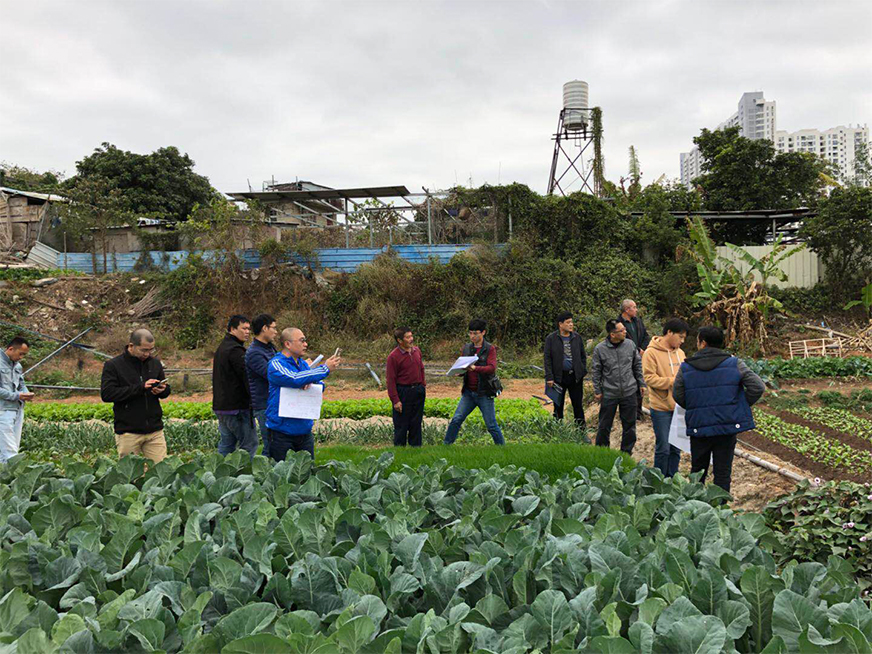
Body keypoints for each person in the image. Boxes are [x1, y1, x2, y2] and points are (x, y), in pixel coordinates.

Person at [673, 326, 765, 493]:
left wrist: (696, 408)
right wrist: (736, 407)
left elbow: (677, 394)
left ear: (703, 343)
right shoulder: (734, 363)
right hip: (726, 426)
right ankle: (720, 506)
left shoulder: (686, 367)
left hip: (699, 426)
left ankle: (694, 504)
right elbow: (758, 387)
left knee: (698, 471)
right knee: (723, 472)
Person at [266, 328, 340, 460]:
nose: (306, 344)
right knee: (281, 471)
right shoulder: (276, 364)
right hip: (281, 432)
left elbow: (320, 385)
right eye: (302, 341)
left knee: (306, 469)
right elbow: (294, 378)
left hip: (304, 431)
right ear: (287, 344)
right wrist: (325, 368)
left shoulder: (303, 365)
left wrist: (310, 382)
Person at [100, 329, 170, 463]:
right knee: (130, 472)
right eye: (144, 350)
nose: (147, 354)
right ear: (131, 346)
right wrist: (141, 388)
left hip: (154, 430)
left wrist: (163, 390)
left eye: (151, 350)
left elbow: (165, 392)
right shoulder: (114, 365)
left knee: (161, 470)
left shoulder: (154, 363)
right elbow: (107, 394)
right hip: (128, 431)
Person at [444, 319, 504, 446]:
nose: (472, 336)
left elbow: (491, 368)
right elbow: (464, 365)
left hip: (484, 393)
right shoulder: (466, 348)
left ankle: (502, 448)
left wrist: (476, 368)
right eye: (470, 333)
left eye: (475, 333)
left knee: (491, 425)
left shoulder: (489, 349)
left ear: (483, 332)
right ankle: (446, 445)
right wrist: (459, 372)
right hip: (469, 393)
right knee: (456, 419)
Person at [642, 318, 689, 477]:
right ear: (669, 332)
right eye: (680, 337)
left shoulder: (680, 353)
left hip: (679, 407)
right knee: (663, 447)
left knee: (676, 447)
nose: (682, 341)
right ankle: (659, 480)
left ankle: (673, 479)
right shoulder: (651, 353)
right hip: (661, 408)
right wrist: (672, 382)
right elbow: (649, 379)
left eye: (684, 338)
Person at [591, 319, 646, 454]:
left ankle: (626, 453)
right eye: (622, 330)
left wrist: (641, 383)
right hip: (609, 393)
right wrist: (597, 390)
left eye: (624, 329)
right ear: (612, 334)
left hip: (629, 391)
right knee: (604, 426)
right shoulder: (600, 349)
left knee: (629, 426)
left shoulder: (630, 345)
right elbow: (596, 371)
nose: (625, 332)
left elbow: (637, 365)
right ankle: (602, 453)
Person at [212, 315, 257, 458]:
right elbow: (247, 378)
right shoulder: (235, 351)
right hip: (236, 407)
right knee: (249, 444)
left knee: (227, 444)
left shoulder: (223, 347)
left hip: (222, 406)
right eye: (244, 328)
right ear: (232, 329)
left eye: (249, 329)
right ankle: (245, 471)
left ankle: (219, 470)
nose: (247, 332)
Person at [543, 311, 587, 429]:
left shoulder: (577, 337)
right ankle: (558, 430)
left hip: (575, 376)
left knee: (577, 405)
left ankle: (581, 431)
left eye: (572, 322)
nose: (571, 325)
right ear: (560, 324)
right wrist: (549, 377)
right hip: (559, 377)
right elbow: (547, 359)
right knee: (558, 405)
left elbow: (583, 356)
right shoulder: (551, 339)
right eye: (568, 322)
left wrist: (582, 370)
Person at [386, 327, 426, 447]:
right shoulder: (393, 357)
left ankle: (416, 450)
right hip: (403, 392)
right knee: (401, 425)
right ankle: (400, 451)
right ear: (399, 340)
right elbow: (390, 380)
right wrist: (395, 400)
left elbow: (421, 368)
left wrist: (422, 385)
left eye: (411, 336)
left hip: (418, 391)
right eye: (407, 337)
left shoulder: (416, 351)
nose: (411, 339)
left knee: (416, 423)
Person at [245, 313, 278, 458]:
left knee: (277, 443)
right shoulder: (254, 353)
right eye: (274, 328)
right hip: (264, 404)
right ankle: (262, 470)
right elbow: (272, 375)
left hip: (273, 401)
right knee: (271, 445)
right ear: (265, 328)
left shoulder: (270, 348)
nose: (276, 332)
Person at [0, 337, 34, 463]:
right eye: (20, 354)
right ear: (10, 349)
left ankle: (4, 473)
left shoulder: (17, 366)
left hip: (17, 409)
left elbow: (21, 384)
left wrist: (26, 393)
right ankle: (15, 473)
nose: (21, 357)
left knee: (12, 446)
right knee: (10, 450)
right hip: (3, 410)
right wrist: (17, 396)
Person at [616, 299, 651, 421]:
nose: (636, 309)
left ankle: (638, 412)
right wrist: (636, 350)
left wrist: (643, 349)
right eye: (634, 307)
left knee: (639, 383)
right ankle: (628, 413)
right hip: (625, 359)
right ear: (627, 310)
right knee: (628, 385)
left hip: (639, 358)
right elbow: (620, 340)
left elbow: (646, 336)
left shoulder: (638, 321)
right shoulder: (617, 323)